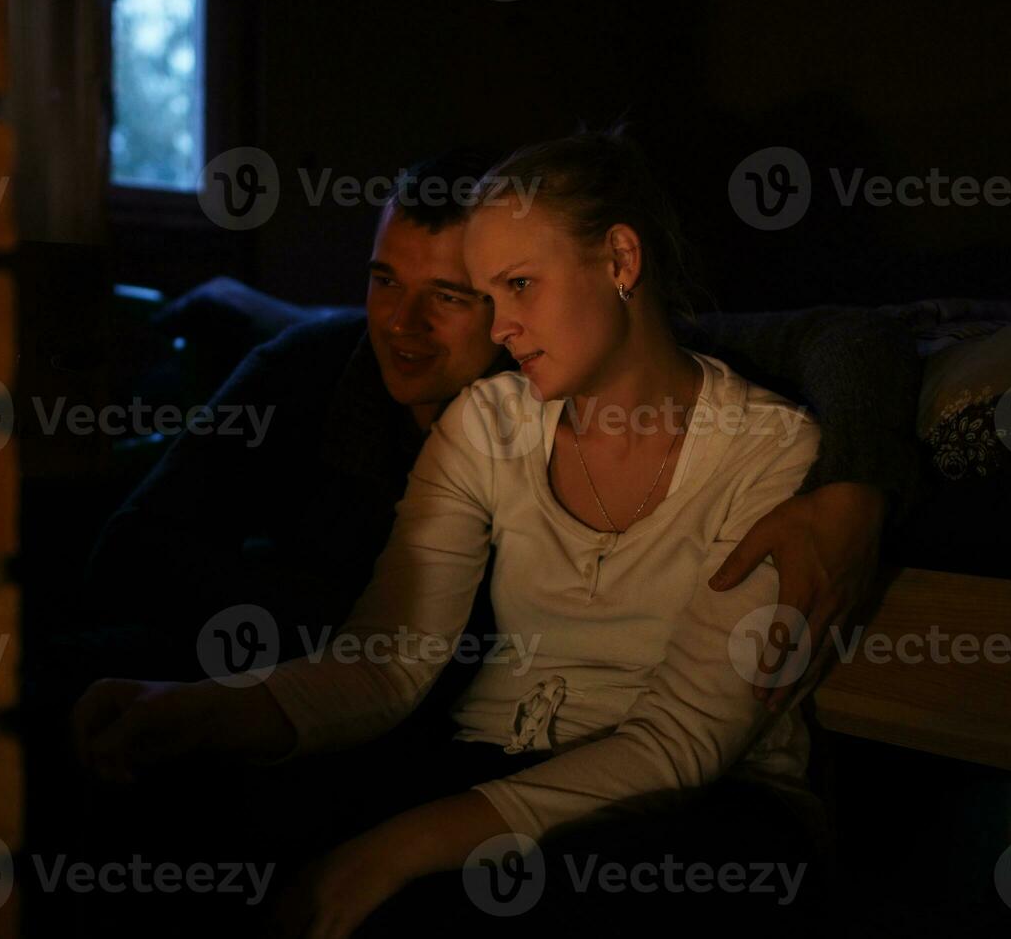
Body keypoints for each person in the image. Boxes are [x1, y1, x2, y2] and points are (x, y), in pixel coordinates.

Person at [65, 133, 919, 935]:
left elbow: (683, 741)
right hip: (487, 757)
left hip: (708, 801)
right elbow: (388, 660)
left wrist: (390, 851)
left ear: (621, 259)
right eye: (487, 293)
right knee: (189, 812)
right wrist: (195, 711)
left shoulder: (771, 449)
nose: (500, 327)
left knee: (438, 902)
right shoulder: (489, 420)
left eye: (518, 287)